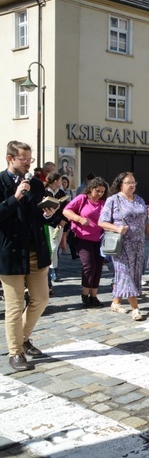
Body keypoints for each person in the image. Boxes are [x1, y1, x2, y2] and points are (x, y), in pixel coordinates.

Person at [0, 141, 58, 371]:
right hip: (11, 252)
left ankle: (23, 338)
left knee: (41, 299)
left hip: (36, 250)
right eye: (24, 159)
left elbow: (40, 216)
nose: (28, 163)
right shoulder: (1, 182)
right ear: (10, 159)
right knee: (14, 306)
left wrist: (49, 213)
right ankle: (15, 352)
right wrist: (15, 197)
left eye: (30, 159)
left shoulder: (35, 183)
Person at [98, 172, 149, 321]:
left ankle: (116, 302)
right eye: (128, 182)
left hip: (138, 244)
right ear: (120, 185)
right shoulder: (113, 200)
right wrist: (117, 229)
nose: (132, 185)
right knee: (125, 274)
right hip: (121, 245)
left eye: (134, 182)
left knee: (135, 274)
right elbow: (101, 222)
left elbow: (146, 223)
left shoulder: (139, 200)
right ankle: (135, 308)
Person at [63, 177, 108, 307]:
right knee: (89, 265)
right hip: (83, 238)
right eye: (97, 191)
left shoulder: (103, 203)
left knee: (98, 266)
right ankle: (85, 294)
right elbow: (66, 211)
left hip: (99, 239)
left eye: (102, 192)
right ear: (91, 189)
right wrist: (79, 219)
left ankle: (94, 296)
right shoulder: (82, 199)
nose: (99, 194)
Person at [43, 173, 69, 286]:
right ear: (55, 181)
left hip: (59, 223)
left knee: (56, 246)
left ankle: (54, 269)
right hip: (48, 222)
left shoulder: (61, 193)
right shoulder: (45, 192)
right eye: (60, 180)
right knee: (51, 247)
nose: (61, 183)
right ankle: (51, 270)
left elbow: (65, 208)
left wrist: (63, 221)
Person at [59, 175, 75, 255]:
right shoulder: (59, 191)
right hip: (61, 212)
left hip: (69, 212)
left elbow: (73, 201)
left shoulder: (70, 191)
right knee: (62, 230)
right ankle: (62, 247)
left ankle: (65, 246)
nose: (63, 184)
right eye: (62, 182)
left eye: (65, 182)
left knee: (66, 231)